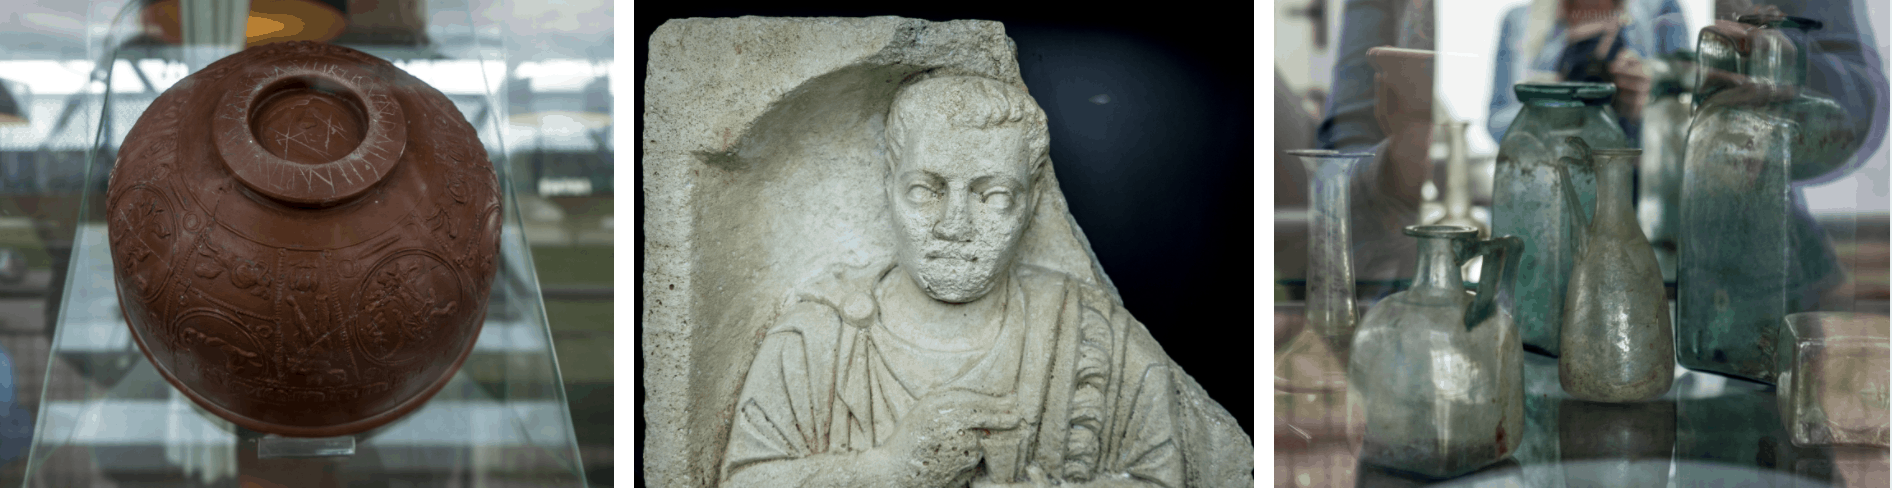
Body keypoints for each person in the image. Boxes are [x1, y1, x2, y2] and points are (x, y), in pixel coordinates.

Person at [718, 76, 1252, 488]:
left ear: (1032, 202)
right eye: (926, 190)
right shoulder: (818, 341)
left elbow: (1175, 476)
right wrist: (885, 471)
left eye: (993, 196)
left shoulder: (1092, 338)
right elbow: (741, 482)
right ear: (888, 187)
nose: (955, 227)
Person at [1487, 0, 1690, 145]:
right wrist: (1547, 105)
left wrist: (1649, 106)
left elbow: (1687, 119)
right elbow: (1497, 123)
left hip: (1632, 183)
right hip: (1550, 179)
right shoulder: (1518, 21)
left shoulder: (1661, 9)